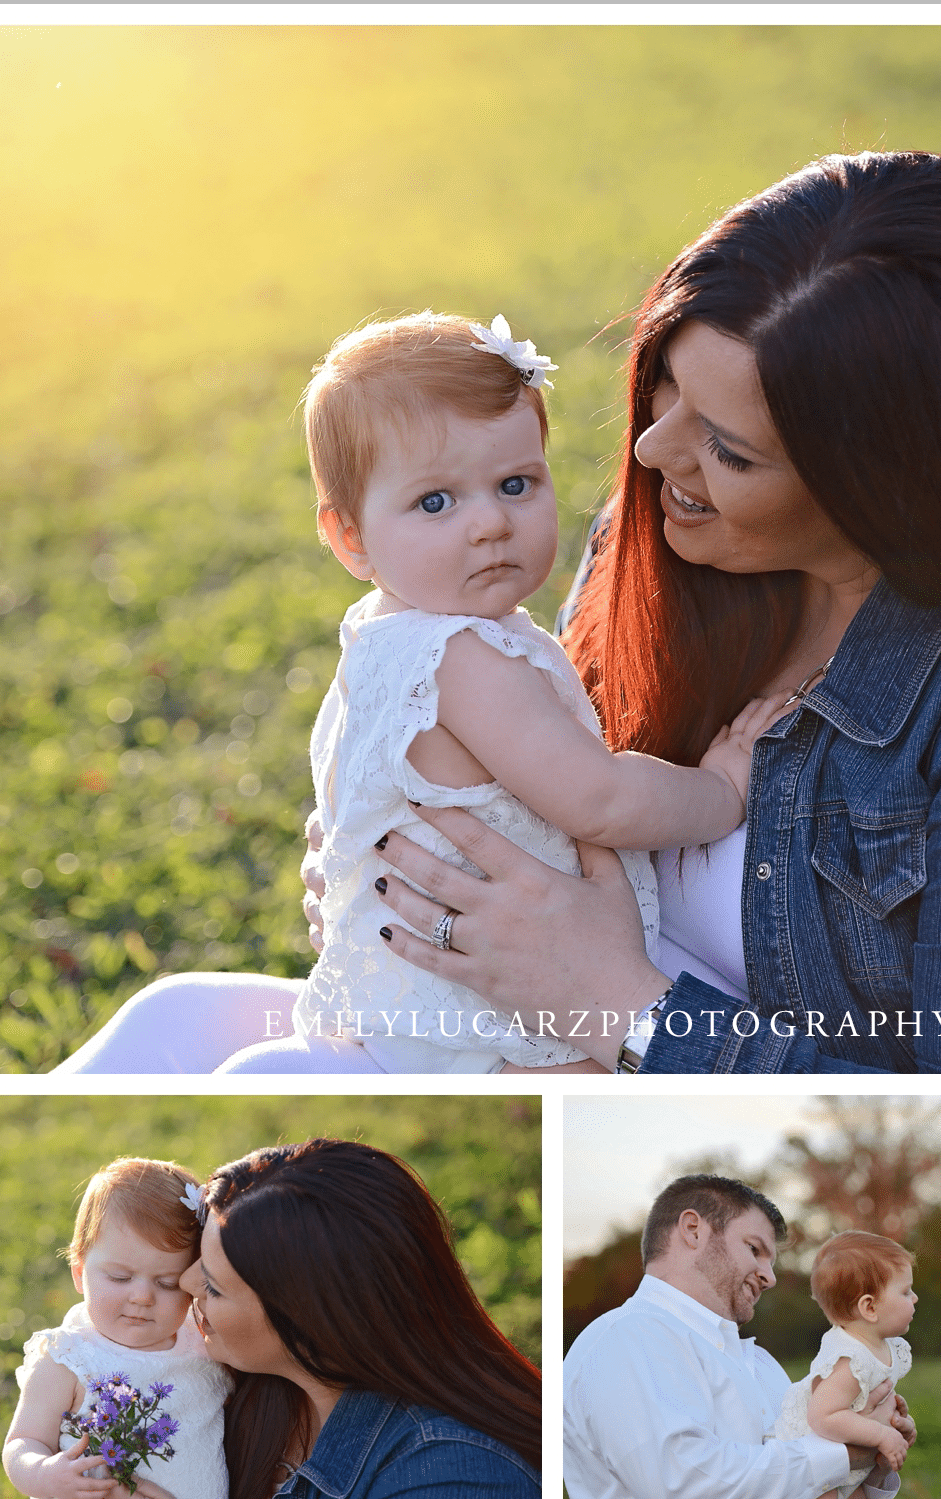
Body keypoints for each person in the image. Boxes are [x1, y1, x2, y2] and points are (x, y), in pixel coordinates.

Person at [357, 150, 941, 1073]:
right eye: (669, 382)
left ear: (897, 488)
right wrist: (402, 871)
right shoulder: (674, 541)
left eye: (731, 449)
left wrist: (620, 1006)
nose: (652, 446)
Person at [54, 313, 785, 1074]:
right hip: (486, 1015)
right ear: (350, 538)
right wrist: (722, 790)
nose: (490, 523)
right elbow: (600, 799)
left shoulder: (381, 633)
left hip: (415, 995)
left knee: (178, 1021)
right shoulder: (463, 656)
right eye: (436, 502)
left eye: (515, 483)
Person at [68, 1140, 541, 1499]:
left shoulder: (454, 1484)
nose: (187, 1286)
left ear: (308, 1320)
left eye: (212, 1284)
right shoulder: (243, 1386)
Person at [563, 1174, 914, 1499]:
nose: (768, 1276)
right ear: (693, 1231)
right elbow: (683, 1484)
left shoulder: (761, 1364)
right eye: (754, 1249)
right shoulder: (628, 1337)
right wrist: (843, 1455)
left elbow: (805, 1491)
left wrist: (876, 1457)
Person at [3, 1157, 230, 1499]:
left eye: (167, 1283)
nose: (142, 1296)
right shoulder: (69, 1358)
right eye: (120, 1277)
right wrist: (48, 1473)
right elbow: (21, 1443)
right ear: (79, 1271)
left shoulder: (201, 1345)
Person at [710, 1229, 917, 1499]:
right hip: (810, 1457)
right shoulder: (848, 1359)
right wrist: (880, 1436)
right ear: (869, 1307)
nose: (914, 1299)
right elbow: (822, 1417)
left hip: (841, 1463)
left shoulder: (884, 1348)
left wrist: (895, 1418)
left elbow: (869, 1401)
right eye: (905, 1292)